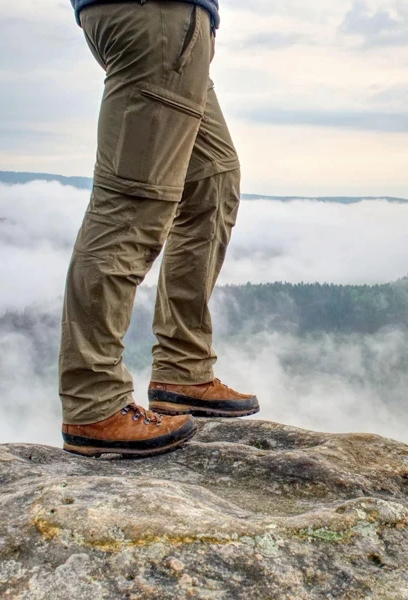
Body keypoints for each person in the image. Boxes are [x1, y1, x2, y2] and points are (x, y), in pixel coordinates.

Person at [59, 0, 258, 458]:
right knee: (131, 205)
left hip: (179, 27)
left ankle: (183, 371)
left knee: (212, 180)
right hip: (154, 17)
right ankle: (93, 403)